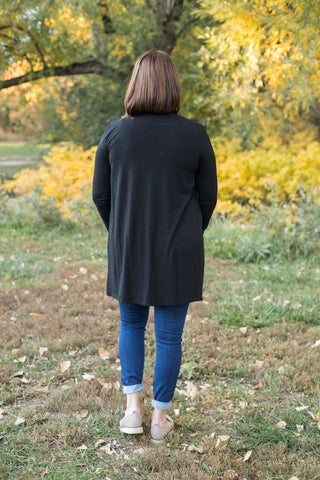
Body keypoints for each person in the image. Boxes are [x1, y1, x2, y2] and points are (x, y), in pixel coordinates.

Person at [92, 49, 218, 444]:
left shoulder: (115, 133)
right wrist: (188, 235)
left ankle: (132, 411)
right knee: (169, 337)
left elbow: (100, 195)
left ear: (135, 84)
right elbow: (208, 198)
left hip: (129, 247)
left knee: (130, 323)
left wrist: (122, 231)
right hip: (178, 250)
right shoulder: (195, 133)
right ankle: (160, 419)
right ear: (172, 85)